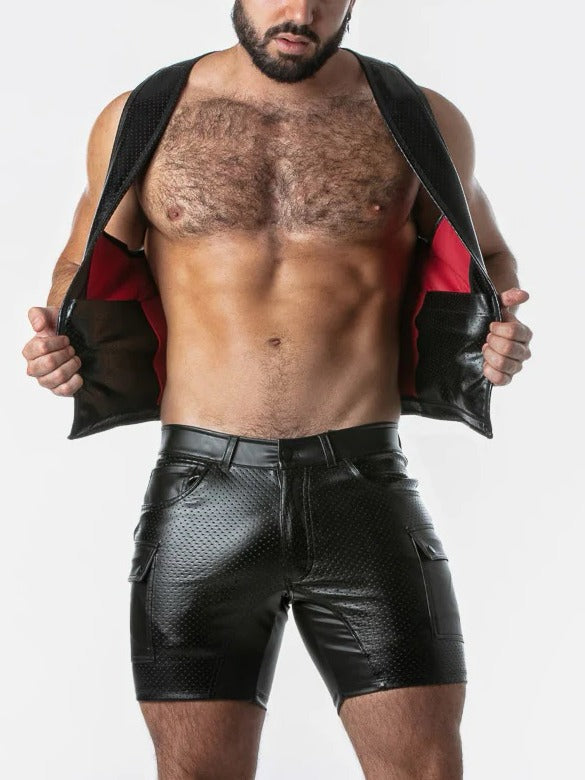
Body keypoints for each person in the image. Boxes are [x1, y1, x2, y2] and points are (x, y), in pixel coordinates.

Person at [22, 1, 533, 777]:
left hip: (363, 487)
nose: (298, 11)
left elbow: (486, 254)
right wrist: (63, 341)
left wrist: (494, 329)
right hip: (201, 496)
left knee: (424, 770)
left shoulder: (417, 118)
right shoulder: (141, 117)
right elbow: (83, 255)